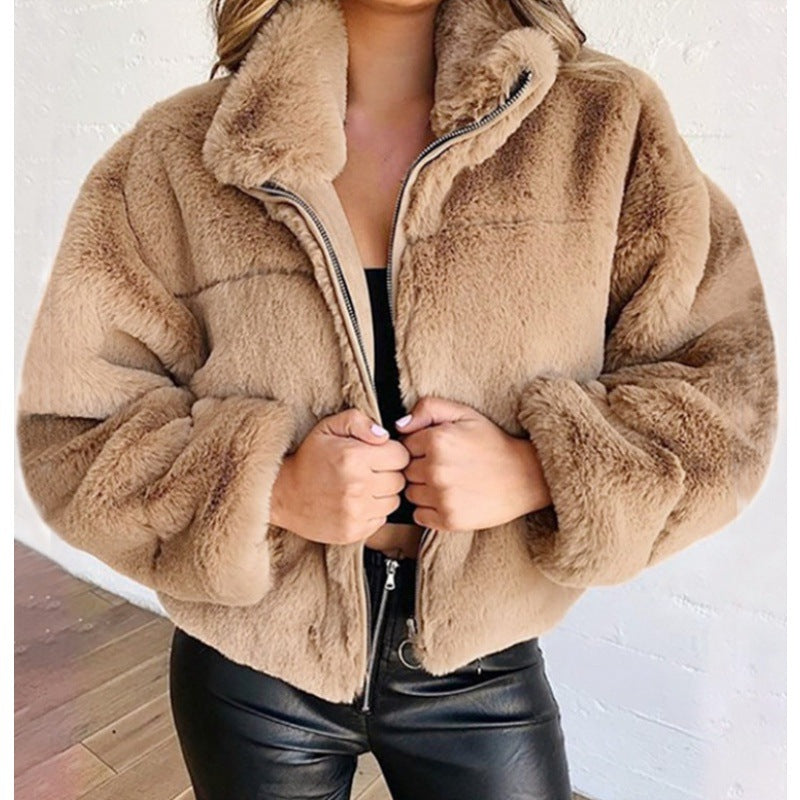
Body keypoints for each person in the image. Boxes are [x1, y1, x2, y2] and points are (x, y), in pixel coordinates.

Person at [16, 0, 779, 797]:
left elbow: (727, 395)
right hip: (250, 666)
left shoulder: (606, 125)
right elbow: (71, 430)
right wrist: (270, 488)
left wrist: (537, 471)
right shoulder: (182, 150)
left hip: (480, 670)